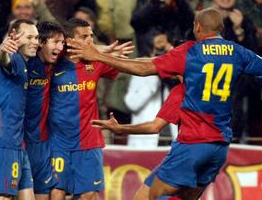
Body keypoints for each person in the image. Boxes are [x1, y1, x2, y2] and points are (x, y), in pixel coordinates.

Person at [66, 8, 262, 199]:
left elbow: (144, 69)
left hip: (191, 145)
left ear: (198, 28)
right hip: (220, 147)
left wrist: (96, 55)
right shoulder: (238, 52)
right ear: (221, 30)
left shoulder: (190, 52)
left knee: (144, 196)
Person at [48, 18, 132, 200]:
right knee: (56, 192)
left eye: (91, 36)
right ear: (69, 41)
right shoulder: (52, 63)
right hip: (57, 142)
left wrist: (108, 54)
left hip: (89, 141)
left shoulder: (96, 62)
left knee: (89, 194)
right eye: (84, 36)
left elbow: (127, 67)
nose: (90, 41)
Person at [92, 83, 184, 200]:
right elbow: (132, 103)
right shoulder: (188, 87)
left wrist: (120, 129)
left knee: (149, 196)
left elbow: (154, 126)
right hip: (189, 149)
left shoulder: (182, 89)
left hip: (181, 149)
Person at [0, 19, 38, 200]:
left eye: (36, 37)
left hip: (17, 145)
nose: (35, 42)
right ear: (14, 36)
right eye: (29, 37)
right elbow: (3, 59)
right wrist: (3, 50)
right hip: (1, 143)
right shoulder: (13, 59)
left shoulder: (23, 63)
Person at [24, 21, 65, 200]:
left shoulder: (53, 65)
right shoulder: (24, 63)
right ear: (41, 42)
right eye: (55, 42)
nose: (60, 47)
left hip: (42, 143)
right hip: (21, 141)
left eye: (62, 43)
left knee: (43, 195)